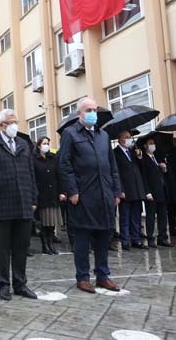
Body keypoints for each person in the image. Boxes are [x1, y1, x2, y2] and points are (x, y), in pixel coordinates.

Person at [58, 97, 122, 294]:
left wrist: (116, 191)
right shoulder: (70, 134)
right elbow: (64, 164)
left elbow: (112, 165)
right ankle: (83, 277)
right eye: (88, 110)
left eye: (94, 109)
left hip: (104, 195)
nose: (92, 113)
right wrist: (73, 191)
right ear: (80, 114)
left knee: (104, 236)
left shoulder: (103, 135)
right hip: (84, 195)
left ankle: (103, 275)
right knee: (83, 238)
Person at [0, 109, 38, 301]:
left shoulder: (23, 144)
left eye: (16, 121)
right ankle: (3, 284)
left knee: (21, 247)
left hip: (24, 204)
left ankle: (20, 284)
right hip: (1, 205)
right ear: (2, 125)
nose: (14, 125)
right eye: (11, 122)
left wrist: (33, 199)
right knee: (3, 248)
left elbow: (31, 173)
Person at [114, 130, 147, 250]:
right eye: (127, 137)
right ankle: (125, 240)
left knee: (136, 217)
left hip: (136, 189)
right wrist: (120, 190)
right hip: (125, 190)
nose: (130, 139)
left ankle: (136, 239)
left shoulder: (133, 152)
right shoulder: (115, 153)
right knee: (125, 217)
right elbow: (116, 173)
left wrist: (139, 157)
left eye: (130, 137)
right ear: (121, 140)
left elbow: (141, 169)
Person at [138, 134, 172, 247]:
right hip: (151, 192)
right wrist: (147, 192)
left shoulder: (157, 157)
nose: (153, 145)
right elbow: (144, 176)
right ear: (145, 146)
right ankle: (150, 237)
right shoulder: (144, 159)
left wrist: (164, 168)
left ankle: (162, 237)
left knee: (163, 215)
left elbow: (164, 173)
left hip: (162, 191)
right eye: (150, 143)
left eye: (154, 143)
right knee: (151, 216)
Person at [33, 136, 64, 255]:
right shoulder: (34, 159)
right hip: (42, 194)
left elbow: (58, 175)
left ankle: (51, 243)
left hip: (53, 193)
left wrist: (62, 191)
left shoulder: (53, 158)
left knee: (52, 222)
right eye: (44, 143)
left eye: (48, 143)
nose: (46, 145)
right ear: (39, 146)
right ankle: (45, 244)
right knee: (44, 222)